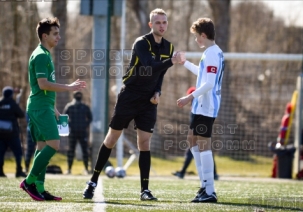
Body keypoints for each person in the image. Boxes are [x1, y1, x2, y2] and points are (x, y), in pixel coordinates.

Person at [83, 8, 183, 201]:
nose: (161, 26)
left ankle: (144, 190)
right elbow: (148, 67)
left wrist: (158, 91)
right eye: (158, 22)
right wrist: (171, 61)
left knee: (144, 143)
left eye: (164, 22)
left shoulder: (169, 47)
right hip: (129, 95)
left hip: (149, 101)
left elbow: (160, 74)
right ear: (151, 24)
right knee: (112, 138)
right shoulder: (141, 43)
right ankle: (93, 181)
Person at [19, 17, 86, 201]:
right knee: (54, 144)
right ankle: (29, 181)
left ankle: (39, 188)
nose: (59, 37)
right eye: (55, 34)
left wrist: (56, 112)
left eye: (59, 33)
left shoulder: (45, 54)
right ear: (44, 35)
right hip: (39, 108)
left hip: (44, 107)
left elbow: (45, 90)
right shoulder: (40, 55)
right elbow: (43, 85)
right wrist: (69, 87)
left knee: (41, 147)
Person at [176, 18, 225, 203]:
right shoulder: (211, 52)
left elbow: (210, 83)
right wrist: (185, 63)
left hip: (207, 105)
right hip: (201, 106)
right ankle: (204, 185)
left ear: (203, 35)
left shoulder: (212, 53)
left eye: (197, 37)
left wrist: (190, 97)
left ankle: (209, 190)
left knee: (203, 144)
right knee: (192, 139)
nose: (196, 40)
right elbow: (204, 74)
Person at [172, 86, 218, 180]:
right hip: (201, 133)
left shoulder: (197, 109)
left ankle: (183, 172)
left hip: (199, 134)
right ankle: (213, 174)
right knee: (206, 152)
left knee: (199, 152)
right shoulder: (200, 107)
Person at [63, 91, 92, 174]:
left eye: (80, 95)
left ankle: (86, 169)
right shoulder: (69, 106)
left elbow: (90, 118)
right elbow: (64, 117)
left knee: (85, 151)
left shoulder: (85, 107)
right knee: (71, 150)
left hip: (83, 132)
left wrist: (84, 125)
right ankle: (69, 169)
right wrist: (69, 125)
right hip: (72, 132)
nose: (78, 96)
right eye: (77, 95)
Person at [0, 86, 26, 178]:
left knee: (1, 153)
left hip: (1, 134)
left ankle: (0, 171)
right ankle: (18, 171)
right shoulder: (13, 104)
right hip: (12, 134)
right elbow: (21, 114)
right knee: (18, 152)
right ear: (11, 94)